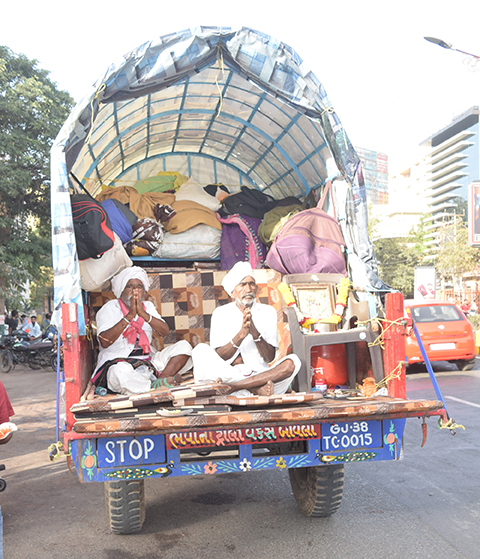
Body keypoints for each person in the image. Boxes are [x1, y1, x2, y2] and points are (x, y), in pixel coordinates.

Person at [192, 261, 301, 396]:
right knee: (200, 351)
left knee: (293, 362)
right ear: (232, 292)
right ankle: (253, 389)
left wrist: (255, 333)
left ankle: (237, 387)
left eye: (251, 284)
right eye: (243, 284)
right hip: (230, 374)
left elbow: (269, 358)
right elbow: (219, 357)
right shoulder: (220, 313)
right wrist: (241, 335)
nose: (248, 289)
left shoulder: (268, 312)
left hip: (260, 376)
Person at [91, 267, 193, 395]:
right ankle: (152, 387)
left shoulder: (148, 307)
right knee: (120, 372)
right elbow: (104, 342)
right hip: (118, 363)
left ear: (144, 292)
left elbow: (164, 331)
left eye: (139, 287)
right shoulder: (110, 308)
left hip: (147, 363)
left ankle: (159, 382)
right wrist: (129, 317)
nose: (135, 291)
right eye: (130, 286)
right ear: (121, 290)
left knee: (184, 347)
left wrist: (144, 314)